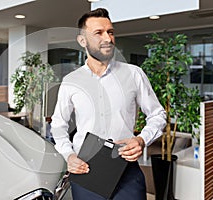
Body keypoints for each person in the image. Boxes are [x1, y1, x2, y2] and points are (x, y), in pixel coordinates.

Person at [50, 8, 166, 200]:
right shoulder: (71, 81)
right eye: (99, 33)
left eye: (110, 32)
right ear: (82, 40)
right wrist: (68, 156)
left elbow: (157, 115)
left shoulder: (134, 74)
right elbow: (58, 124)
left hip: (126, 170)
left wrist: (142, 139)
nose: (108, 38)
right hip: (86, 170)